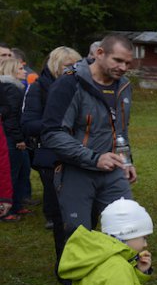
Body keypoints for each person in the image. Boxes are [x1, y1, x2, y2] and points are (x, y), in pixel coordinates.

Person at [41, 35, 136, 236]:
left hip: (113, 171)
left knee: (129, 228)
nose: (123, 67)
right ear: (99, 53)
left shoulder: (124, 86)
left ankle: (127, 268)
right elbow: (52, 133)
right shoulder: (69, 83)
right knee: (79, 236)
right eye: (118, 60)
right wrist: (94, 158)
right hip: (76, 171)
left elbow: (120, 130)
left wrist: (126, 161)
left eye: (128, 63)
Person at [22, 47, 83, 265]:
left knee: (81, 214)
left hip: (79, 156)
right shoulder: (39, 88)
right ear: (55, 66)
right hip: (52, 157)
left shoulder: (82, 86)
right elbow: (28, 124)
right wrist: (57, 124)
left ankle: (82, 259)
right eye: (67, 66)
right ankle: (65, 265)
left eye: (74, 65)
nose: (71, 70)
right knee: (61, 216)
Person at [0, 57, 30, 221]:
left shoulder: (13, 87)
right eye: (20, 69)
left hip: (10, 136)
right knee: (11, 173)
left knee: (19, 172)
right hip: (10, 138)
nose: (25, 71)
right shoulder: (10, 88)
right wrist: (19, 138)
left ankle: (16, 205)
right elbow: (10, 117)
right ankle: (6, 210)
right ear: (11, 70)